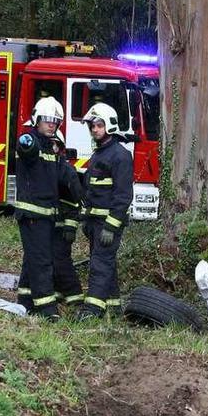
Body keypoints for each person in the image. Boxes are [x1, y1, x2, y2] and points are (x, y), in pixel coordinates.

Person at [79, 103, 133, 319]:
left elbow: (123, 196)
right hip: (95, 223)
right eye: (92, 126)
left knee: (99, 265)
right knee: (104, 263)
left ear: (109, 126)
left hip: (108, 225)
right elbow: (91, 190)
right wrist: (86, 218)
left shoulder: (120, 156)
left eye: (98, 125)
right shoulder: (99, 154)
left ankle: (93, 310)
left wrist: (111, 226)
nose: (94, 129)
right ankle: (113, 306)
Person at [14, 96, 64, 319]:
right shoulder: (30, 140)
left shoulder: (51, 147)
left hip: (45, 215)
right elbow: (26, 146)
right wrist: (31, 140)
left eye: (55, 121)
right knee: (42, 260)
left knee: (32, 258)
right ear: (37, 119)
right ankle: (46, 309)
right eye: (47, 120)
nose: (51, 124)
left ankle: (25, 300)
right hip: (32, 214)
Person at [51, 131, 84, 307]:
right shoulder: (45, 167)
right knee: (50, 261)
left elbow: (75, 200)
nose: (52, 147)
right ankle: (56, 293)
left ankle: (75, 297)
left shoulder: (67, 171)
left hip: (63, 226)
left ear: (60, 148)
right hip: (47, 226)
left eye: (55, 144)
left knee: (61, 261)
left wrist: (71, 226)